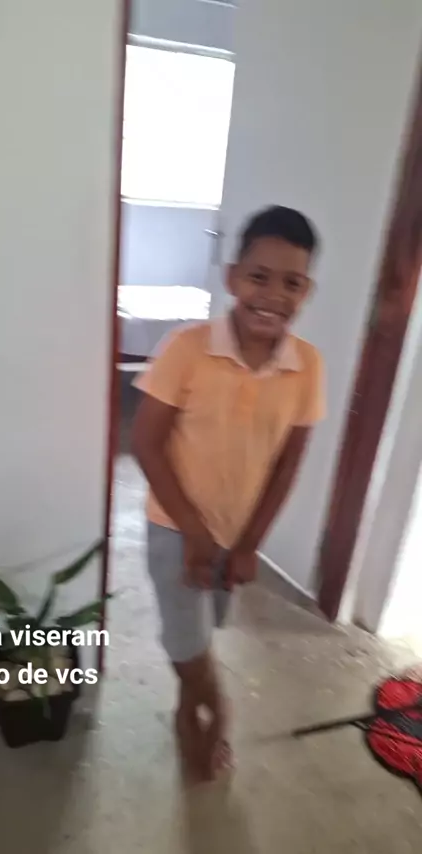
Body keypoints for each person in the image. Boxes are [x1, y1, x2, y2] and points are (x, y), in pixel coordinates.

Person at [131, 205, 325, 783]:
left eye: (292, 283)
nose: (274, 295)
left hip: (234, 533)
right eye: (259, 277)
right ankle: (215, 709)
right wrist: (193, 532)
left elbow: (288, 464)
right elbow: (145, 443)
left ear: (306, 291)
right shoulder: (186, 348)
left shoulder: (307, 366)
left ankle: (189, 700)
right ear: (233, 278)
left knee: (202, 629)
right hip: (175, 526)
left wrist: (248, 545)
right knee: (186, 640)